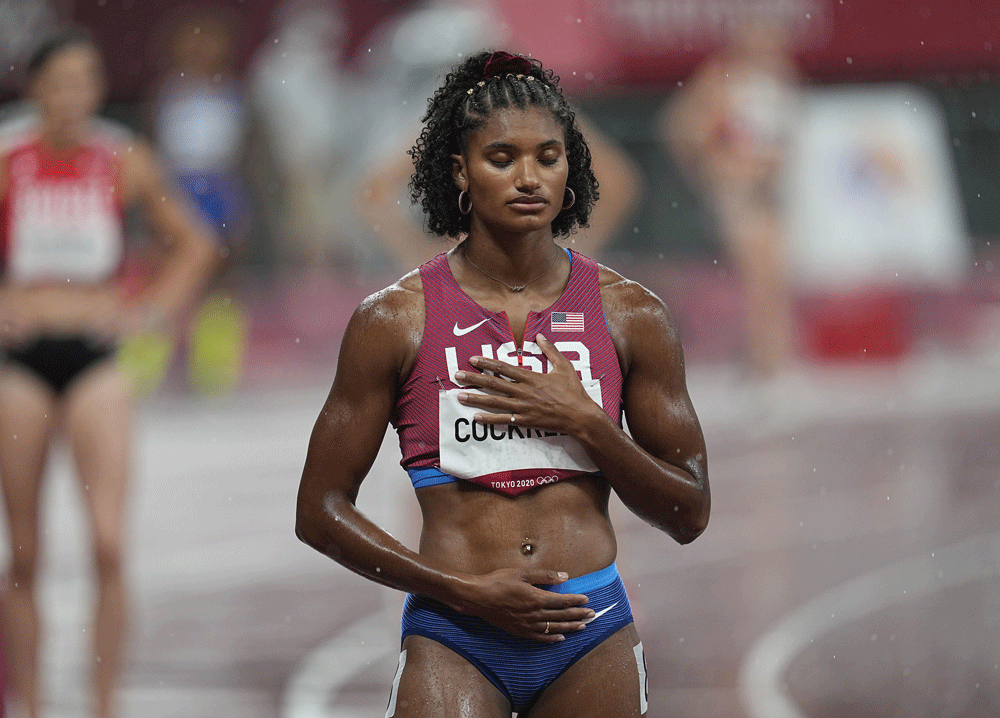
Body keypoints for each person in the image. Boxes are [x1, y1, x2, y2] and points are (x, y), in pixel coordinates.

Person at [296, 50, 709, 717]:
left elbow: (689, 512)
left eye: (548, 157)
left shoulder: (632, 316)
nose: (529, 178)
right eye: (502, 158)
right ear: (460, 170)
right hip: (454, 634)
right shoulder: (393, 320)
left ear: (570, 166)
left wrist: (588, 424)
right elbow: (318, 512)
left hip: (589, 631)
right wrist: (459, 590)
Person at [0, 29, 217, 718]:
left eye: (84, 82)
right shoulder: (8, 155)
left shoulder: (120, 157)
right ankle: (29, 705)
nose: (71, 98)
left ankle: (103, 705)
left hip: (96, 358)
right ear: (35, 89)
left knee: (108, 543)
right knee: (26, 552)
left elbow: (195, 244)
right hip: (20, 364)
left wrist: (147, 313)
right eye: (58, 84)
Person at [664, 13, 800, 384]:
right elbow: (682, 127)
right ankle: (763, 366)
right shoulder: (723, 76)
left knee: (776, 275)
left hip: (769, 191)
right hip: (737, 188)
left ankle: (775, 361)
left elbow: (780, 136)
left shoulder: (781, 76)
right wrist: (712, 167)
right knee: (758, 274)